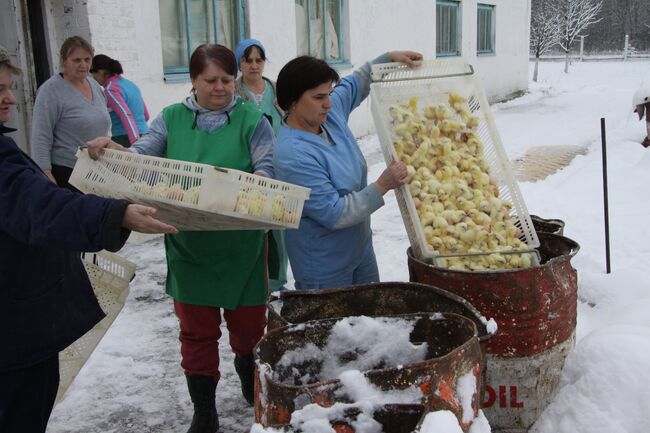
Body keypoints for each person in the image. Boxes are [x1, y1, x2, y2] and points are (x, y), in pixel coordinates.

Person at [87, 44, 275, 433]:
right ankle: (204, 411)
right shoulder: (171, 119)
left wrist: (247, 191)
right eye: (211, 80)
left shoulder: (253, 120)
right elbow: (144, 159)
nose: (220, 88)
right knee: (196, 333)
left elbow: (267, 173)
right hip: (190, 244)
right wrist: (116, 150)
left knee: (248, 331)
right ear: (193, 80)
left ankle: (247, 374)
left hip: (242, 245)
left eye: (227, 79)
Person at [0, 45, 177, 433]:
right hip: (15, 329)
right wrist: (115, 214)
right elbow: (38, 208)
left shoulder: (95, 89)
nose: (10, 97)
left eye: (9, 87)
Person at [273, 51, 421, 290]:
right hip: (324, 261)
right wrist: (382, 185)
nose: (328, 103)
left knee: (368, 316)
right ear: (291, 102)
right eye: (319, 97)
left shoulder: (327, 116)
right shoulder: (293, 154)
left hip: (359, 247)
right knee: (334, 324)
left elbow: (355, 84)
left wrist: (387, 58)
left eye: (329, 94)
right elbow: (334, 213)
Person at [234, 38, 288, 292]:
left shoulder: (278, 91)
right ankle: (255, 283)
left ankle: (277, 283)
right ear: (239, 63)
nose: (254, 66)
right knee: (253, 228)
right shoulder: (233, 92)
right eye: (248, 60)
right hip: (248, 168)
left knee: (279, 230)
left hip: (280, 168)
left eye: (259, 59)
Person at [30, 36, 111, 190]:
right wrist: (45, 172)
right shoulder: (50, 90)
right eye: (77, 60)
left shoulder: (94, 85)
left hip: (97, 169)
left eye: (87, 59)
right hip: (67, 173)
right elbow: (41, 135)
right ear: (64, 61)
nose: (83, 65)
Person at [90, 54, 150, 147]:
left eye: (92, 71)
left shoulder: (110, 90)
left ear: (101, 72)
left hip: (126, 138)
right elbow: (146, 115)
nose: (92, 76)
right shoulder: (130, 84)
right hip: (146, 136)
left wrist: (135, 143)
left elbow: (125, 114)